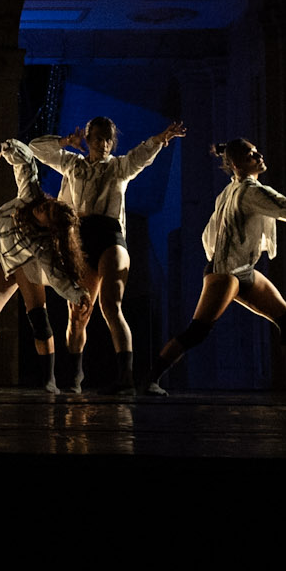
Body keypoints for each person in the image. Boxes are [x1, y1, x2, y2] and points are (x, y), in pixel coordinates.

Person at [138, 138, 286, 401]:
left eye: (256, 152)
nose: (259, 156)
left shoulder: (231, 191)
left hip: (243, 270)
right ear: (237, 165)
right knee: (197, 331)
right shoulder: (250, 192)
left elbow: (211, 233)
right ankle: (150, 379)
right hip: (226, 274)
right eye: (251, 155)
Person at [30, 117, 188, 393]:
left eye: (107, 139)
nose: (102, 144)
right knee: (78, 313)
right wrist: (66, 141)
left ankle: (126, 377)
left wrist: (161, 139)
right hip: (80, 239)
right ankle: (75, 378)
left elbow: (141, 156)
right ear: (88, 139)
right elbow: (36, 148)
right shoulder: (72, 164)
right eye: (97, 138)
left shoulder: (118, 167)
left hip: (110, 235)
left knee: (111, 306)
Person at [0, 140, 91, 392]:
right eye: (48, 204)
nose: (44, 206)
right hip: (3, 257)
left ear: (49, 227)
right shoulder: (31, 197)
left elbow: (56, 276)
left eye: (48, 212)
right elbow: (26, 163)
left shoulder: (42, 245)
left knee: (38, 317)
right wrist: (3, 148)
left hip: (26, 265)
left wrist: (78, 294)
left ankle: (49, 379)